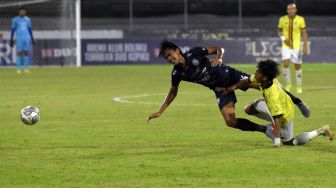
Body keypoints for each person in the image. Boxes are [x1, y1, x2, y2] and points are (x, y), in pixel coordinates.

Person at [147, 40, 309, 134]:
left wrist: (219, 58)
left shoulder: (193, 53)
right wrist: (160, 111)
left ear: (177, 50)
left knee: (266, 84)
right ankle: (266, 130)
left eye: (170, 55)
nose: (169, 59)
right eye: (166, 58)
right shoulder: (177, 74)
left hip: (231, 75)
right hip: (220, 89)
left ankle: (298, 102)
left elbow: (219, 48)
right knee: (230, 121)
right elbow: (172, 92)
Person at [219, 59, 333, 147]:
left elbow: (278, 119)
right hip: (276, 105)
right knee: (248, 109)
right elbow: (246, 81)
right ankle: (270, 127)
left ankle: (321, 131)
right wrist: (230, 89)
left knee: (290, 142)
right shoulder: (266, 78)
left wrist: (277, 141)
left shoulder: (272, 95)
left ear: (264, 77)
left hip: (285, 115)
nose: (255, 73)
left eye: (258, 71)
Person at [278, 3, 308, 93]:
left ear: (295, 10)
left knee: (297, 66)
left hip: (296, 47)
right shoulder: (282, 19)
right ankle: (288, 84)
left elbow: (304, 33)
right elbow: (279, 31)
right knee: (285, 64)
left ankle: (299, 86)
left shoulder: (300, 19)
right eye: (289, 9)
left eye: (292, 9)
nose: (290, 10)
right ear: (287, 10)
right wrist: (284, 38)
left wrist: (305, 45)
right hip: (286, 46)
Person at [10, 6, 35, 74]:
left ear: (25, 12)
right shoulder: (15, 19)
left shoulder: (28, 19)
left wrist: (32, 38)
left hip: (27, 38)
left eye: (23, 11)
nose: (22, 12)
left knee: (26, 53)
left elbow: (29, 29)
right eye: (21, 11)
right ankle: (18, 69)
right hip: (19, 38)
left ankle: (25, 68)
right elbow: (13, 30)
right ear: (19, 11)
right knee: (19, 53)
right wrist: (11, 39)